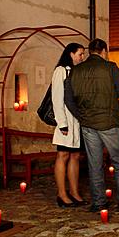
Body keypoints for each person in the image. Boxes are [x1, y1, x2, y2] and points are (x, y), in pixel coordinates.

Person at [67, 38, 119, 212]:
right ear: (104, 51)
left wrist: (82, 116)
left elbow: (69, 99)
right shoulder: (110, 67)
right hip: (110, 122)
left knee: (95, 164)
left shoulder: (76, 71)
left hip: (88, 124)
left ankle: (99, 202)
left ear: (90, 51)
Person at [51, 43, 86, 208]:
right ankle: (62, 194)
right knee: (63, 156)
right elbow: (57, 97)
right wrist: (62, 123)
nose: (82, 57)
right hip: (65, 121)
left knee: (75, 156)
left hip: (77, 122)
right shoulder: (60, 71)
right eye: (80, 54)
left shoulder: (78, 71)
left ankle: (74, 192)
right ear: (71, 54)